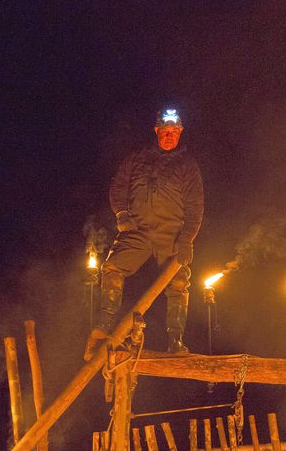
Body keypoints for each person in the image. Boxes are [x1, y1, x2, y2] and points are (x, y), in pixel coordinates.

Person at [84, 107, 204, 361]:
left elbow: (195, 206)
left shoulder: (187, 166)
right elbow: (118, 186)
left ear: (180, 132)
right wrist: (122, 214)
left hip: (171, 234)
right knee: (112, 267)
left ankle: (175, 340)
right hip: (138, 230)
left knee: (178, 283)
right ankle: (105, 324)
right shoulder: (137, 158)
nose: (169, 135)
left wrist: (186, 239)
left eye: (174, 131)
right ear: (156, 131)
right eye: (165, 131)